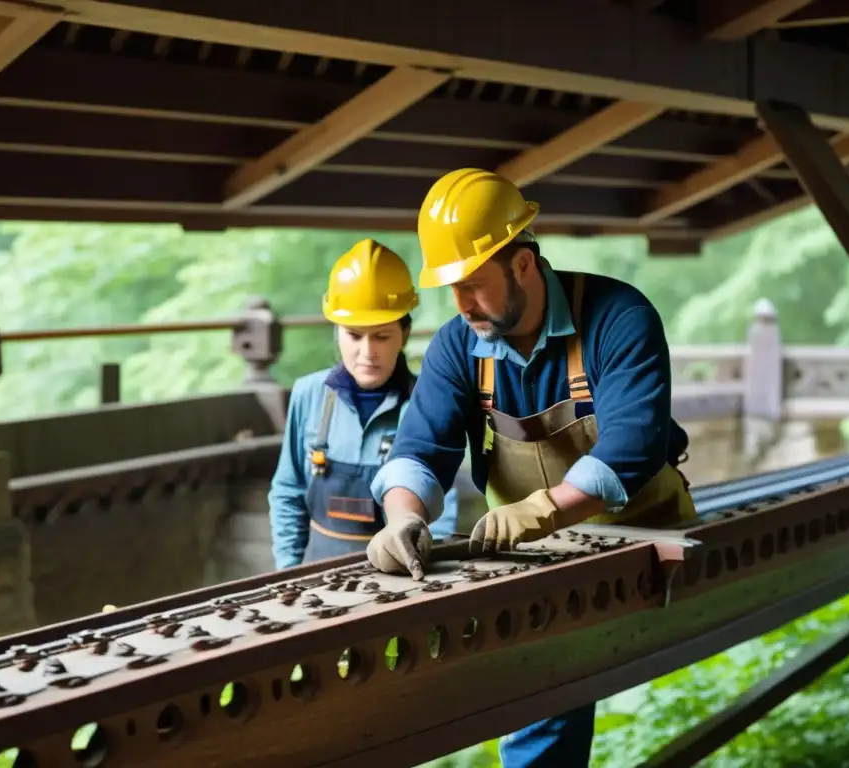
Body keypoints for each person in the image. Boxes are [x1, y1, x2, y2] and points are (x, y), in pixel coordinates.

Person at [365, 168, 698, 767]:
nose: (462, 303)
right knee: (543, 687)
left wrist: (545, 508)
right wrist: (401, 516)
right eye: (453, 288)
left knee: (552, 678)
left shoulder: (618, 316)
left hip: (640, 532)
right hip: (532, 553)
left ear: (522, 263)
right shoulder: (457, 346)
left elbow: (635, 439)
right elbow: (421, 446)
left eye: (474, 284)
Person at [267, 238, 463, 568]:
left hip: (397, 574)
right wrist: (288, 573)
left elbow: (443, 508)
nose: (367, 352)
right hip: (315, 575)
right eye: (354, 336)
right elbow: (287, 494)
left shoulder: (426, 403)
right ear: (337, 332)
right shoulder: (308, 395)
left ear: (405, 332)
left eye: (382, 336)